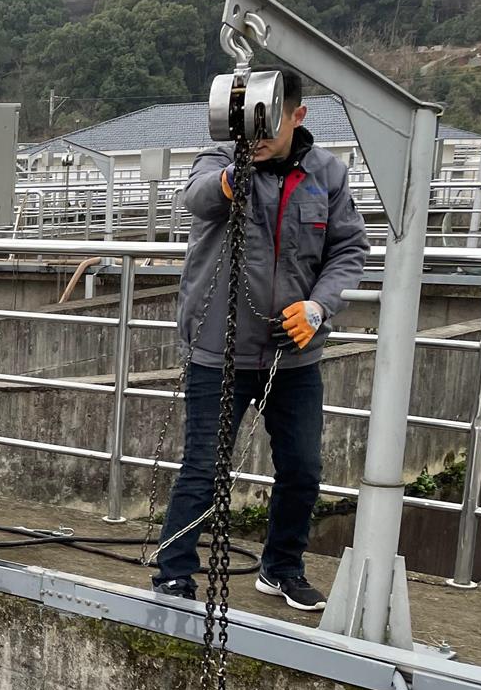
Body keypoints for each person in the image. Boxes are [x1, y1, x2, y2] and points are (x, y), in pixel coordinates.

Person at [154, 69, 367, 611]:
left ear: (298, 116)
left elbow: (347, 251)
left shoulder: (327, 175)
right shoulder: (218, 161)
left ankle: (282, 568)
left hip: (294, 355)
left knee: (301, 468)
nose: (259, 134)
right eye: (249, 122)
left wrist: (319, 306)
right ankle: (175, 573)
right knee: (204, 467)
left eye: (271, 121)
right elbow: (198, 198)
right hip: (218, 354)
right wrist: (233, 176)